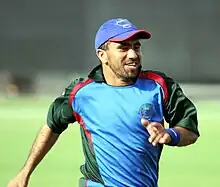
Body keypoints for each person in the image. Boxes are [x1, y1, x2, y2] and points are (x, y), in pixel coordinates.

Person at [7, 18, 200, 187]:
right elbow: (52, 125)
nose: (133, 54)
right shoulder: (81, 93)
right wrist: (25, 172)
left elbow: (190, 131)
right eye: (123, 47)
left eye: (136, 46)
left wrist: (170, 134)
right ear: (102, 55)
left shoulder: (159, 85)